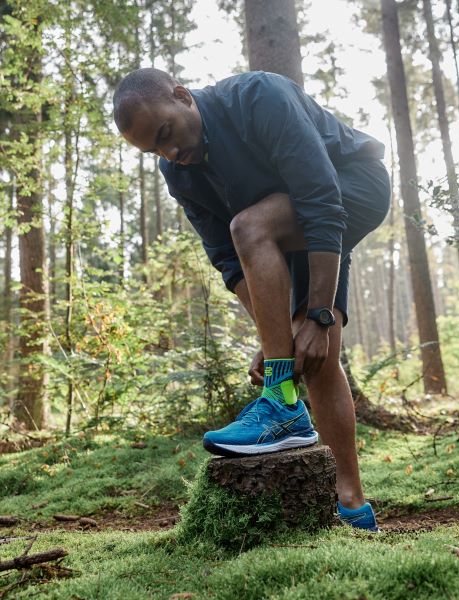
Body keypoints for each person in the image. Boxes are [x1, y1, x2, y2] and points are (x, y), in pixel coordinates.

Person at [113, 68, 390, 531]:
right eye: (154, 150)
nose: (170, 153)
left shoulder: (259, 97)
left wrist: (321, 314)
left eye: (166, 133)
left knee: (251, 227)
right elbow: (229, 261)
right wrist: (277, 334)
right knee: (315, 355)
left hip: (352, 185)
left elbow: (321, 201)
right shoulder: (179, 174)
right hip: (288, 225)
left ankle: (280, 403)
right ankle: (352, 503)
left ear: (182, 96)